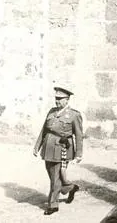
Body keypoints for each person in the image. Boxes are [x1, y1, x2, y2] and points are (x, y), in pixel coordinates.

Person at [33, 86, 83, 216]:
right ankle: (70, 188)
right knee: (52, 174)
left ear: (67, 100)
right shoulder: (52, 111)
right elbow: (44, 130)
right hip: (48, 147)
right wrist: (37, 146)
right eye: (56, 98)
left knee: (55, 178)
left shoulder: (74, 115)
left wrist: (79, 154)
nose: (57, 101)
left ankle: (53, 205)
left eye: (60, 99)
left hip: (61, 147)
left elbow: (79, 135)